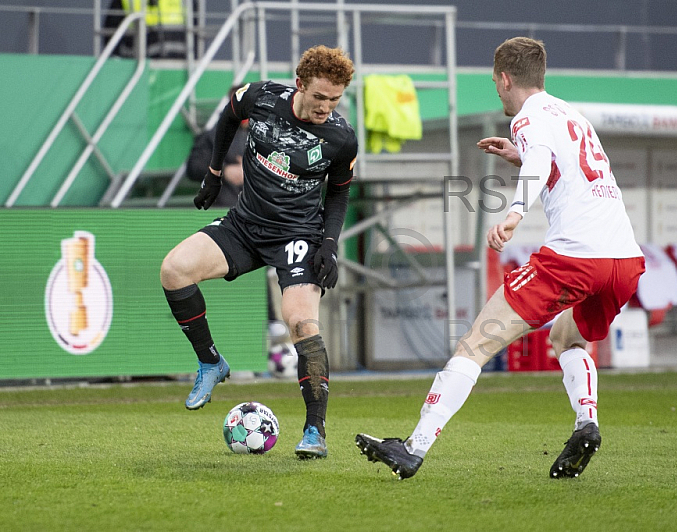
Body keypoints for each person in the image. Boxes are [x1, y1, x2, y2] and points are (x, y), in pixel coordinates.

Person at [355, 37, 645, 479]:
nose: (497, 90)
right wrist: (519, 155)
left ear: (506, 78)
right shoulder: (569, 113)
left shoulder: (528, 118)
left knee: (476, 343)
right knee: (566, 338)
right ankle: (587, 422)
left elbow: (537, 167)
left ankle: (413, 447)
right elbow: (559, 165)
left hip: (575, 256)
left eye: (496, 82)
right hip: (623, 259)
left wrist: (512, 215)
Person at [160, 45, 358, 460]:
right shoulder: (261, 97)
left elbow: (339, 194)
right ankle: (211, 363)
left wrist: (329, 245)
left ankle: (314, 430)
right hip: (245, 224)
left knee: (302, 323)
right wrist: (214, 175)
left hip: (298, 235)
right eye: (319, 96)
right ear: (300, 84)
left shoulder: (341, 137)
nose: (326, 107)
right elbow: (227, 119)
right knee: (174, 270)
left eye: (335, 99)